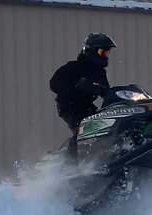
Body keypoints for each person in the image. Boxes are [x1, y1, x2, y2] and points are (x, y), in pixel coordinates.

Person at [49, 33, 117, 161]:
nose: (105, 56)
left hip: (87, 107)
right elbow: (54, 84)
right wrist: (75, 85)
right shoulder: (73, 67)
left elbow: (106, 91)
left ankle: (110, 155)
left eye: (107, 53)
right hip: (69, 106)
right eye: (102, 52)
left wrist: (114, 95)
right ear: (91, 50)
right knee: (81, 130)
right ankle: (72, 165)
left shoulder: (100, 72)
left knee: (103, 126)